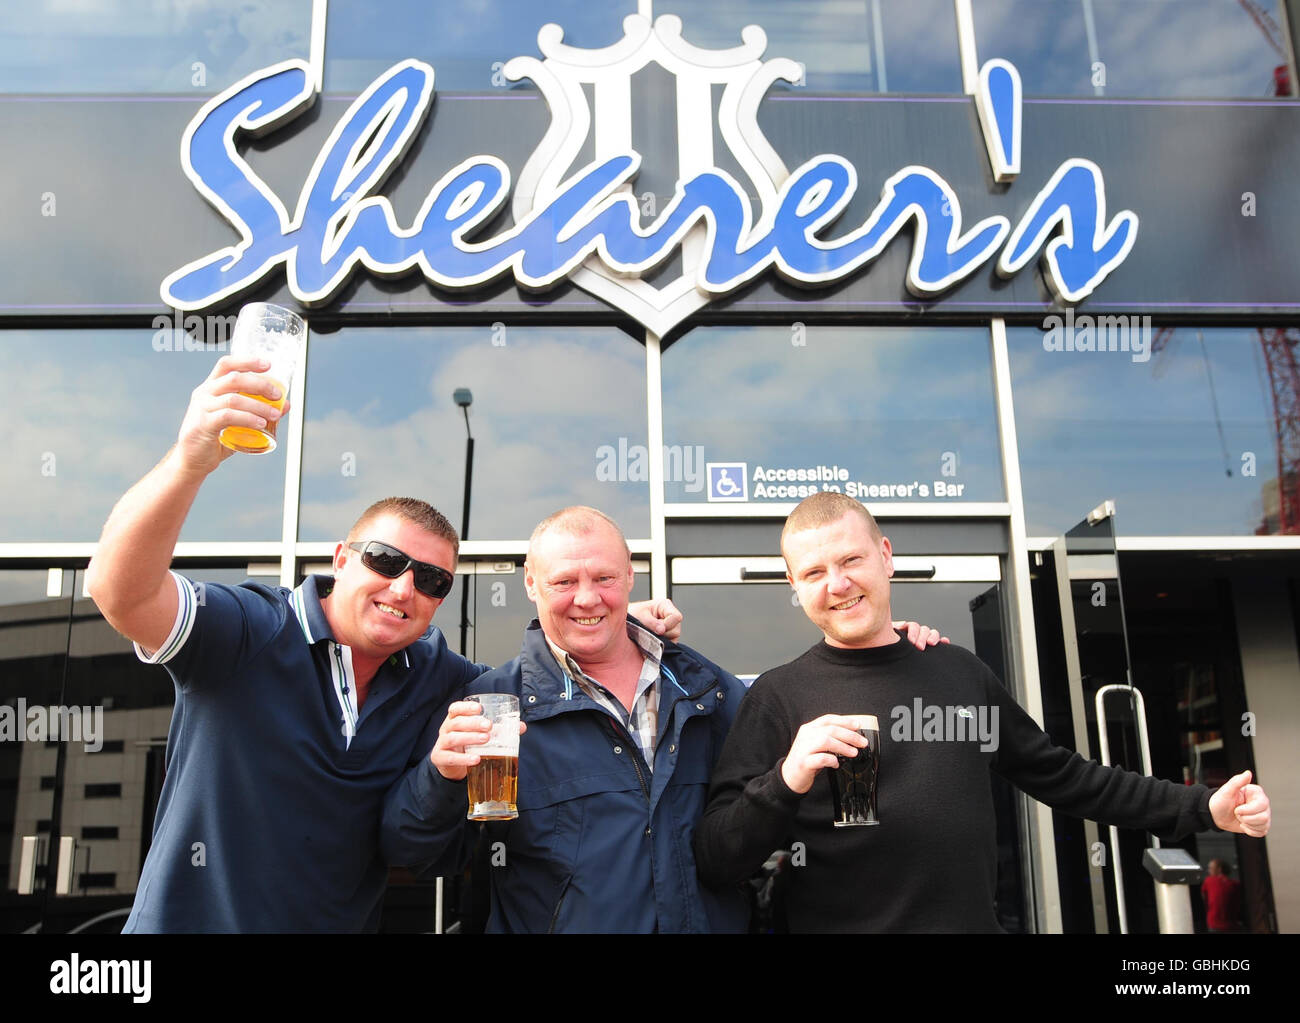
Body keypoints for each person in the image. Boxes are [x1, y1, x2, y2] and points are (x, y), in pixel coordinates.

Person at [85, 356, 680, 932]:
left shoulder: (438, 677)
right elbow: (121, 595)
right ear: (341, 559)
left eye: (431, 579)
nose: (403, 587)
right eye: (386, 560)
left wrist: (613, 629)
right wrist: (191, 460)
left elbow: (538, 679)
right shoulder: (249, 629)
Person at [693, 491, 1273, 933]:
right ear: (794, 582)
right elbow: (718, 856)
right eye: (814, 573)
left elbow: (1066, 777)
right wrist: (787, 779)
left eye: (850, 560)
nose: (838, 584)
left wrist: (1201, 806)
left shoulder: (958, 672)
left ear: (886, 556)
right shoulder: (778, 695)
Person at [381, 505, 947, 932]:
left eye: (604, 578)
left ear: (631, 576)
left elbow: (784, 806)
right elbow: (419, 854)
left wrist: (882, 648)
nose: (587, 598)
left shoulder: (708, 689)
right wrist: (439, 777)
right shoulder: (490, 704)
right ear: (530, 585)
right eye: (563, 582)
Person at [1202, 858, 1243, 933]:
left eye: (1211, 868)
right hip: (1232, 924)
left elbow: (1205, 900)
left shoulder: (1208, 881)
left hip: (1214, 923)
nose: (1208, 871)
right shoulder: (1235, 884)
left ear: (1219, 869)